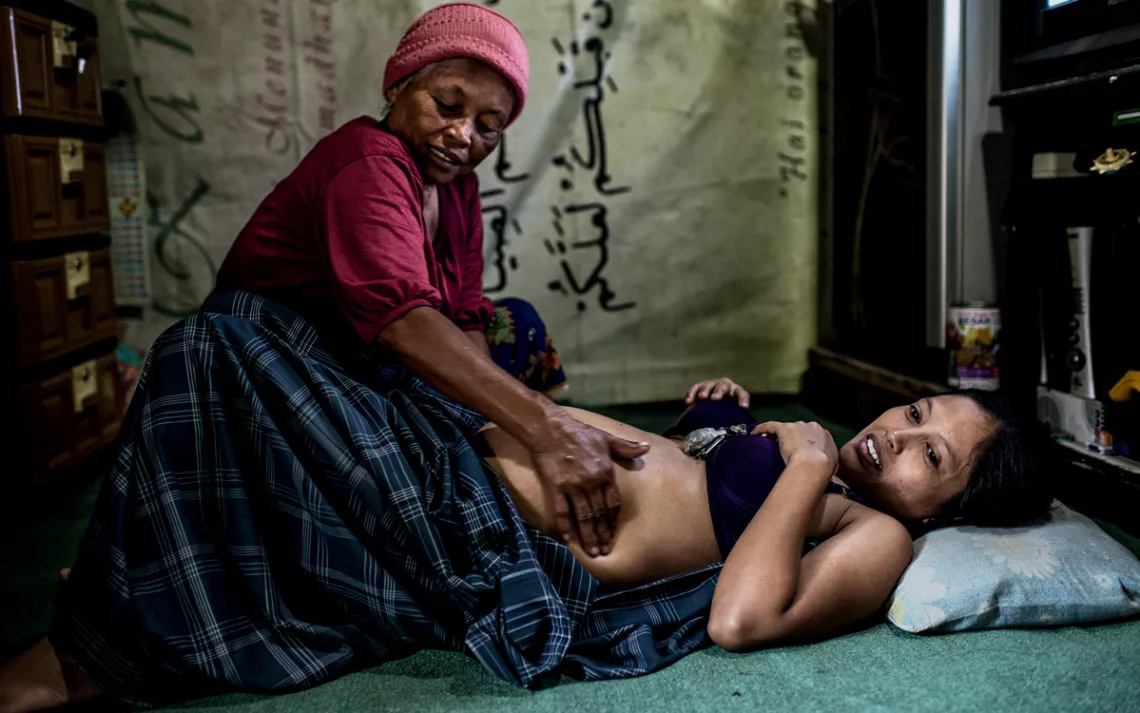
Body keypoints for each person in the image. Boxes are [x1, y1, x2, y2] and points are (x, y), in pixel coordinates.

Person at [0, 367, 1052, 711]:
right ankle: (131, 577)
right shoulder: (822, 463)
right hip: (492, 470)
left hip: (490, 537)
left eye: (930, 454)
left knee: (225, 354)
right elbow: (678, 477)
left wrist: (811, 462)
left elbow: (739, 615)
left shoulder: (881, 540)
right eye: (916, 411)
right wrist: (718, 424)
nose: (896, 435)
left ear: (945, 510)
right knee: (263, 372)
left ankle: (97, 636)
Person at [213, 2, 638, 559]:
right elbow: (404, 325)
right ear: (397, 88)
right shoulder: (367, 159)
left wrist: (485, 424)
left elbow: (463, 316)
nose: (463, 135)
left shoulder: (456, 189)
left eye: (489, 128)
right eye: (446, 105)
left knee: (513, 328)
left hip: (363, 352)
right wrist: (544, 429)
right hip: (277, 354)